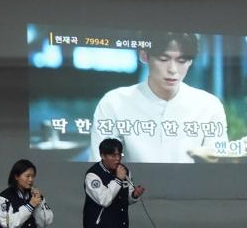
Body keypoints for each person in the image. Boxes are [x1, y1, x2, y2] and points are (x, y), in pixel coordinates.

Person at [89, 31, 227, 163]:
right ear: (144, 56)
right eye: (163, 59)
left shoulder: (209, 106)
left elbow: (218, 168)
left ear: (190, 61)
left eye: (181, 60)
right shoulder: (114, 103)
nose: (172, 70)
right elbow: (100, 168)